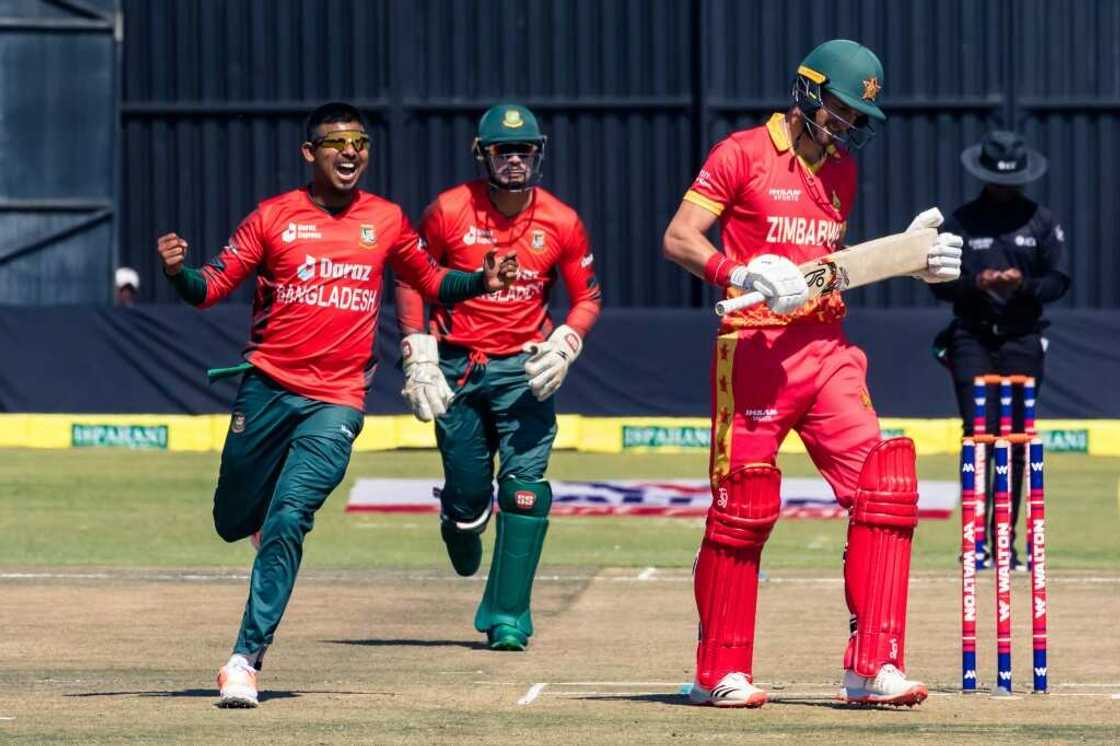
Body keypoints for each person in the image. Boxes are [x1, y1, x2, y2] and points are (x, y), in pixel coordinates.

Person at [156, 101, 518, 708]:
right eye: (336, 143)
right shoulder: (273, 218)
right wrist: (177, 274)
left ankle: (245, 658)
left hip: (338, 399)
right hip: (267, 388)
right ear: (310, 152)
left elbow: (432, 281)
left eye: (360, 143)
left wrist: (480, 281)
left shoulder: (386, 219)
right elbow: (208, 289)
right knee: (230, 520)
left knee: (290, 518)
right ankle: (258, 520)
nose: (350, 153)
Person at [662, 39, 963, 708]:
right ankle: (719, 673)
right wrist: (737, 271)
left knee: (886, 491)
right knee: (744, 506)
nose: (848, 126)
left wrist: (901, 258)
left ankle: (872, 668)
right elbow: (680, 237)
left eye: (859, 118)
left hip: (827, 348)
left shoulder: (840, 173)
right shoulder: (741, 152)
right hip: (756, 351)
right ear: (806, 91)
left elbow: (829, 268)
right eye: (841, 109)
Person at [394, 103, 601, 651]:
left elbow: (587, 298)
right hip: (459, 366)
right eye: (503, 151)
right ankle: (458, 517)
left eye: (524, 151)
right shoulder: (448, 210)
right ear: (482, 154)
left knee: (526, 491)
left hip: (524, 369)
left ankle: (507, 617)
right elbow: (412, 279)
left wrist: (567, 341)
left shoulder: (561, 220)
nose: (514, 161)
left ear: (539, 154)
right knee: (467, 501)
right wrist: (418, 348)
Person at [932, 130, 1070, 570]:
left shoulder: (1041, 221)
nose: (1005, 188)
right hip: (972, 336)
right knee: (978, 437)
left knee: (1015, 441)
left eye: (1012, 181)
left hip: (1022, 339)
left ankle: (1006, 544)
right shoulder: (962, 221)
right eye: (996, 180)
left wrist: (1021, 285)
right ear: (983, 175)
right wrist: (978, 283)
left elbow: (1058, 280)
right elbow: (941, 282)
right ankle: (975, 543)